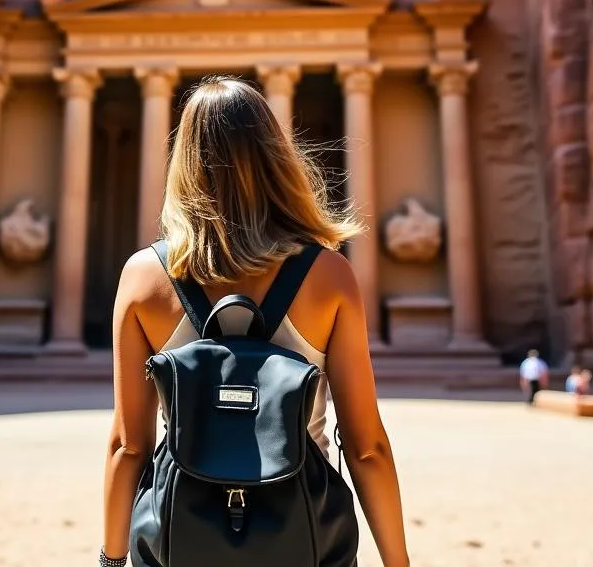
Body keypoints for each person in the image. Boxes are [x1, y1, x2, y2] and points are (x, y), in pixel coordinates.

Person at [102, 77, 411, 567]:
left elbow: (129, 445)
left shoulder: (143, 277)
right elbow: (366, 444)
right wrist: (399, 563)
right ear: (274, 155)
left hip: (182, 533)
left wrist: (112, 560)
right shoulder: (328, 274)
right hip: (302, 531)